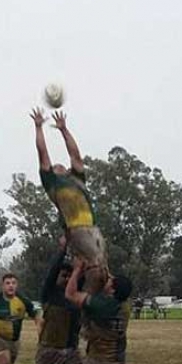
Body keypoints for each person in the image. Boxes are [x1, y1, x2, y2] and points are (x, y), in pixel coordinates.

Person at [32, 108, 107, 294]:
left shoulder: (76, 179)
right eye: (54, 167)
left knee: (104, 270)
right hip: (77, 229)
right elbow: (43, 155)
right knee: (94, 267)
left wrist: (64, 130)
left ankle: (97, 300)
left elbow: (76, 155)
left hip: (94, 228)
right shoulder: (52, 184)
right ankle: (85, 301)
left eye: (61, 165)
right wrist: (39, 127)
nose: (58, 165)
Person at [25, 241, 86, 364]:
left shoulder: (76, 296)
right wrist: (63, 247)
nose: (67, 278)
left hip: (71, 351)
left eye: (70, 276)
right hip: (49, 351)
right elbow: (52, 271)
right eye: (64, 275)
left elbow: (83, 271)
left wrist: (83, 249)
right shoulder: (49, 293)